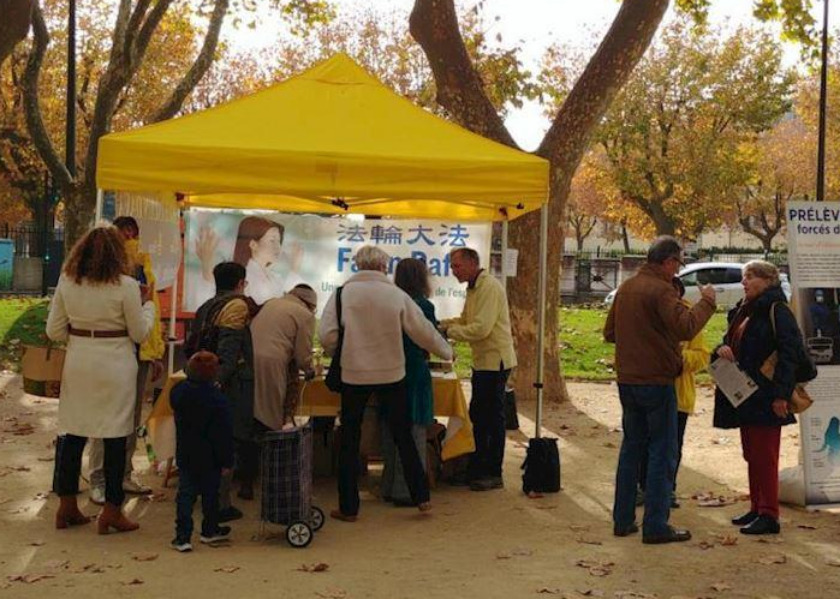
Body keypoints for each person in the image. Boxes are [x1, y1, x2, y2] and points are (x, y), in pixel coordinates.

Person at [319, 246, 453, 522]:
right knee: (403, 435)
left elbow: (327, 336)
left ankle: (348, 507)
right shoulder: (396, 295)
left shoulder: (342, 294)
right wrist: (447, 352)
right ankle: (421, 497)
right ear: (383, 267)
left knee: (350, 437)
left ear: (357, 265)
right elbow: (423, 332)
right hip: (392, 374)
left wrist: (344, 353)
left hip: (353, 375)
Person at [604, 235, 715, 544]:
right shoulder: (663, 290)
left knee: (631, 449)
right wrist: (707, 301)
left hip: (628, 379)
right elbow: (687, 327)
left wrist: (638, 338)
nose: (677, 271)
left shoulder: (626, 288)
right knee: (661, 453)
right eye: (677, 263)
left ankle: (623, 519)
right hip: (657, 381)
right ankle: (655, 524)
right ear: (667, 262)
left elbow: (609, 332)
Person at [47, 226, 156, 533]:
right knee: (114, 436)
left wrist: (81, 333)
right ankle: (112, 509)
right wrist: (147, 306)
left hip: (80, 361)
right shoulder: (126, 285)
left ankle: (66, 504)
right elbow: (139, 332)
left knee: (72, 433)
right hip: (116, 364)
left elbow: (53, 331)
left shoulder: (68, 282)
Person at [713, 260, 810, 535]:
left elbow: (791, 354)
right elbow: (728, 340)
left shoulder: (777, 310)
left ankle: (770, 514)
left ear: (768, 281)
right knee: (751, 453)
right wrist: (722, 349)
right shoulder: (745, 310)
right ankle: (757, 507)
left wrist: (781, 395)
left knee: (765, 455)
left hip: (767, 395)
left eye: (751, 277)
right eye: (745, 277)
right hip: (744, 392)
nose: (745, 282)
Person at [88, 216, 164, 504]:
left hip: (137, 353)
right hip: (110, 354)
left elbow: (150, 309)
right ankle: (98, 476)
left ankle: (123, 473)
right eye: (124, 233)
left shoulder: (144, 267)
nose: (130, 238)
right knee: (105, 418)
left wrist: (153, 350)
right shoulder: (99, 273)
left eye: (134, 233)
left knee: (130, 419)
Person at [439, 247, 516, 492]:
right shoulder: (473, 288)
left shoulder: (489, 287)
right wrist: (439, 323)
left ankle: (493, 472)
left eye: (457, 266)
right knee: (479, 418)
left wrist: (447, 332)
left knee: (492, 419)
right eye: (452, 266)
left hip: (495, 362)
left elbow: (481, 328)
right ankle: (476, 467)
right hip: (482, 362)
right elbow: (465, 320)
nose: (454, 271)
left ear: (473, 264)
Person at [185, 261, 256, 515]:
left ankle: (195, 496)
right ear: (240, 283)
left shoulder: (206, 306)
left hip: (200, 381)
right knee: (226, 445)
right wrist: (217, 381)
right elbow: (229, 351)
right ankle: (219, 505)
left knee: (202, 443)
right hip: (229, 386)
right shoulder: (236, 306)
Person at [637, 277, 710, 508]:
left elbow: (702, 355)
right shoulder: (647, 316)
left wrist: (679, 359)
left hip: (679, 394)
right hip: (648, 390)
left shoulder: (689, 320)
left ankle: (668, 489)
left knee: (671, 446)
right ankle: (643, 487)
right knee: (645, 442)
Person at [381, 258, 437, 506]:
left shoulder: (389, 302)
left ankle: (389, 485)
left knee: (391, 432)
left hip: (389, 369)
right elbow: (429, 339)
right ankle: (407, 489)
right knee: (414, 431)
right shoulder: (424, 305)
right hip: (414, 371)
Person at [170, 351, 234, 552]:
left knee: (185, 495)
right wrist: (227, 461)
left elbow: (172, 400)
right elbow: (224, 433)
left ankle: (182, 537)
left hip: (186, 454)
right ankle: (209, 530)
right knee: (210, 496)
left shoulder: (179, 392)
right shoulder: (219, 400)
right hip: (212, 459)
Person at [251, 284, 318, 434]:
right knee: (269, 415)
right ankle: (267, 453)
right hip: (272, 364)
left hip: (248, 359)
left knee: (253, 411)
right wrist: (310, 369)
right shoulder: (304, 314)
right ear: (311, 305)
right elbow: (303, 356)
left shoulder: (271, 303)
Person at [193, 216, 303, 307]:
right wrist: (206, 264)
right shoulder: (243, 277)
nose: (277, 247)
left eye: (279, 241)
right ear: (253, 244)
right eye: (272, 241)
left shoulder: (274, 278)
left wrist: (294, 268)